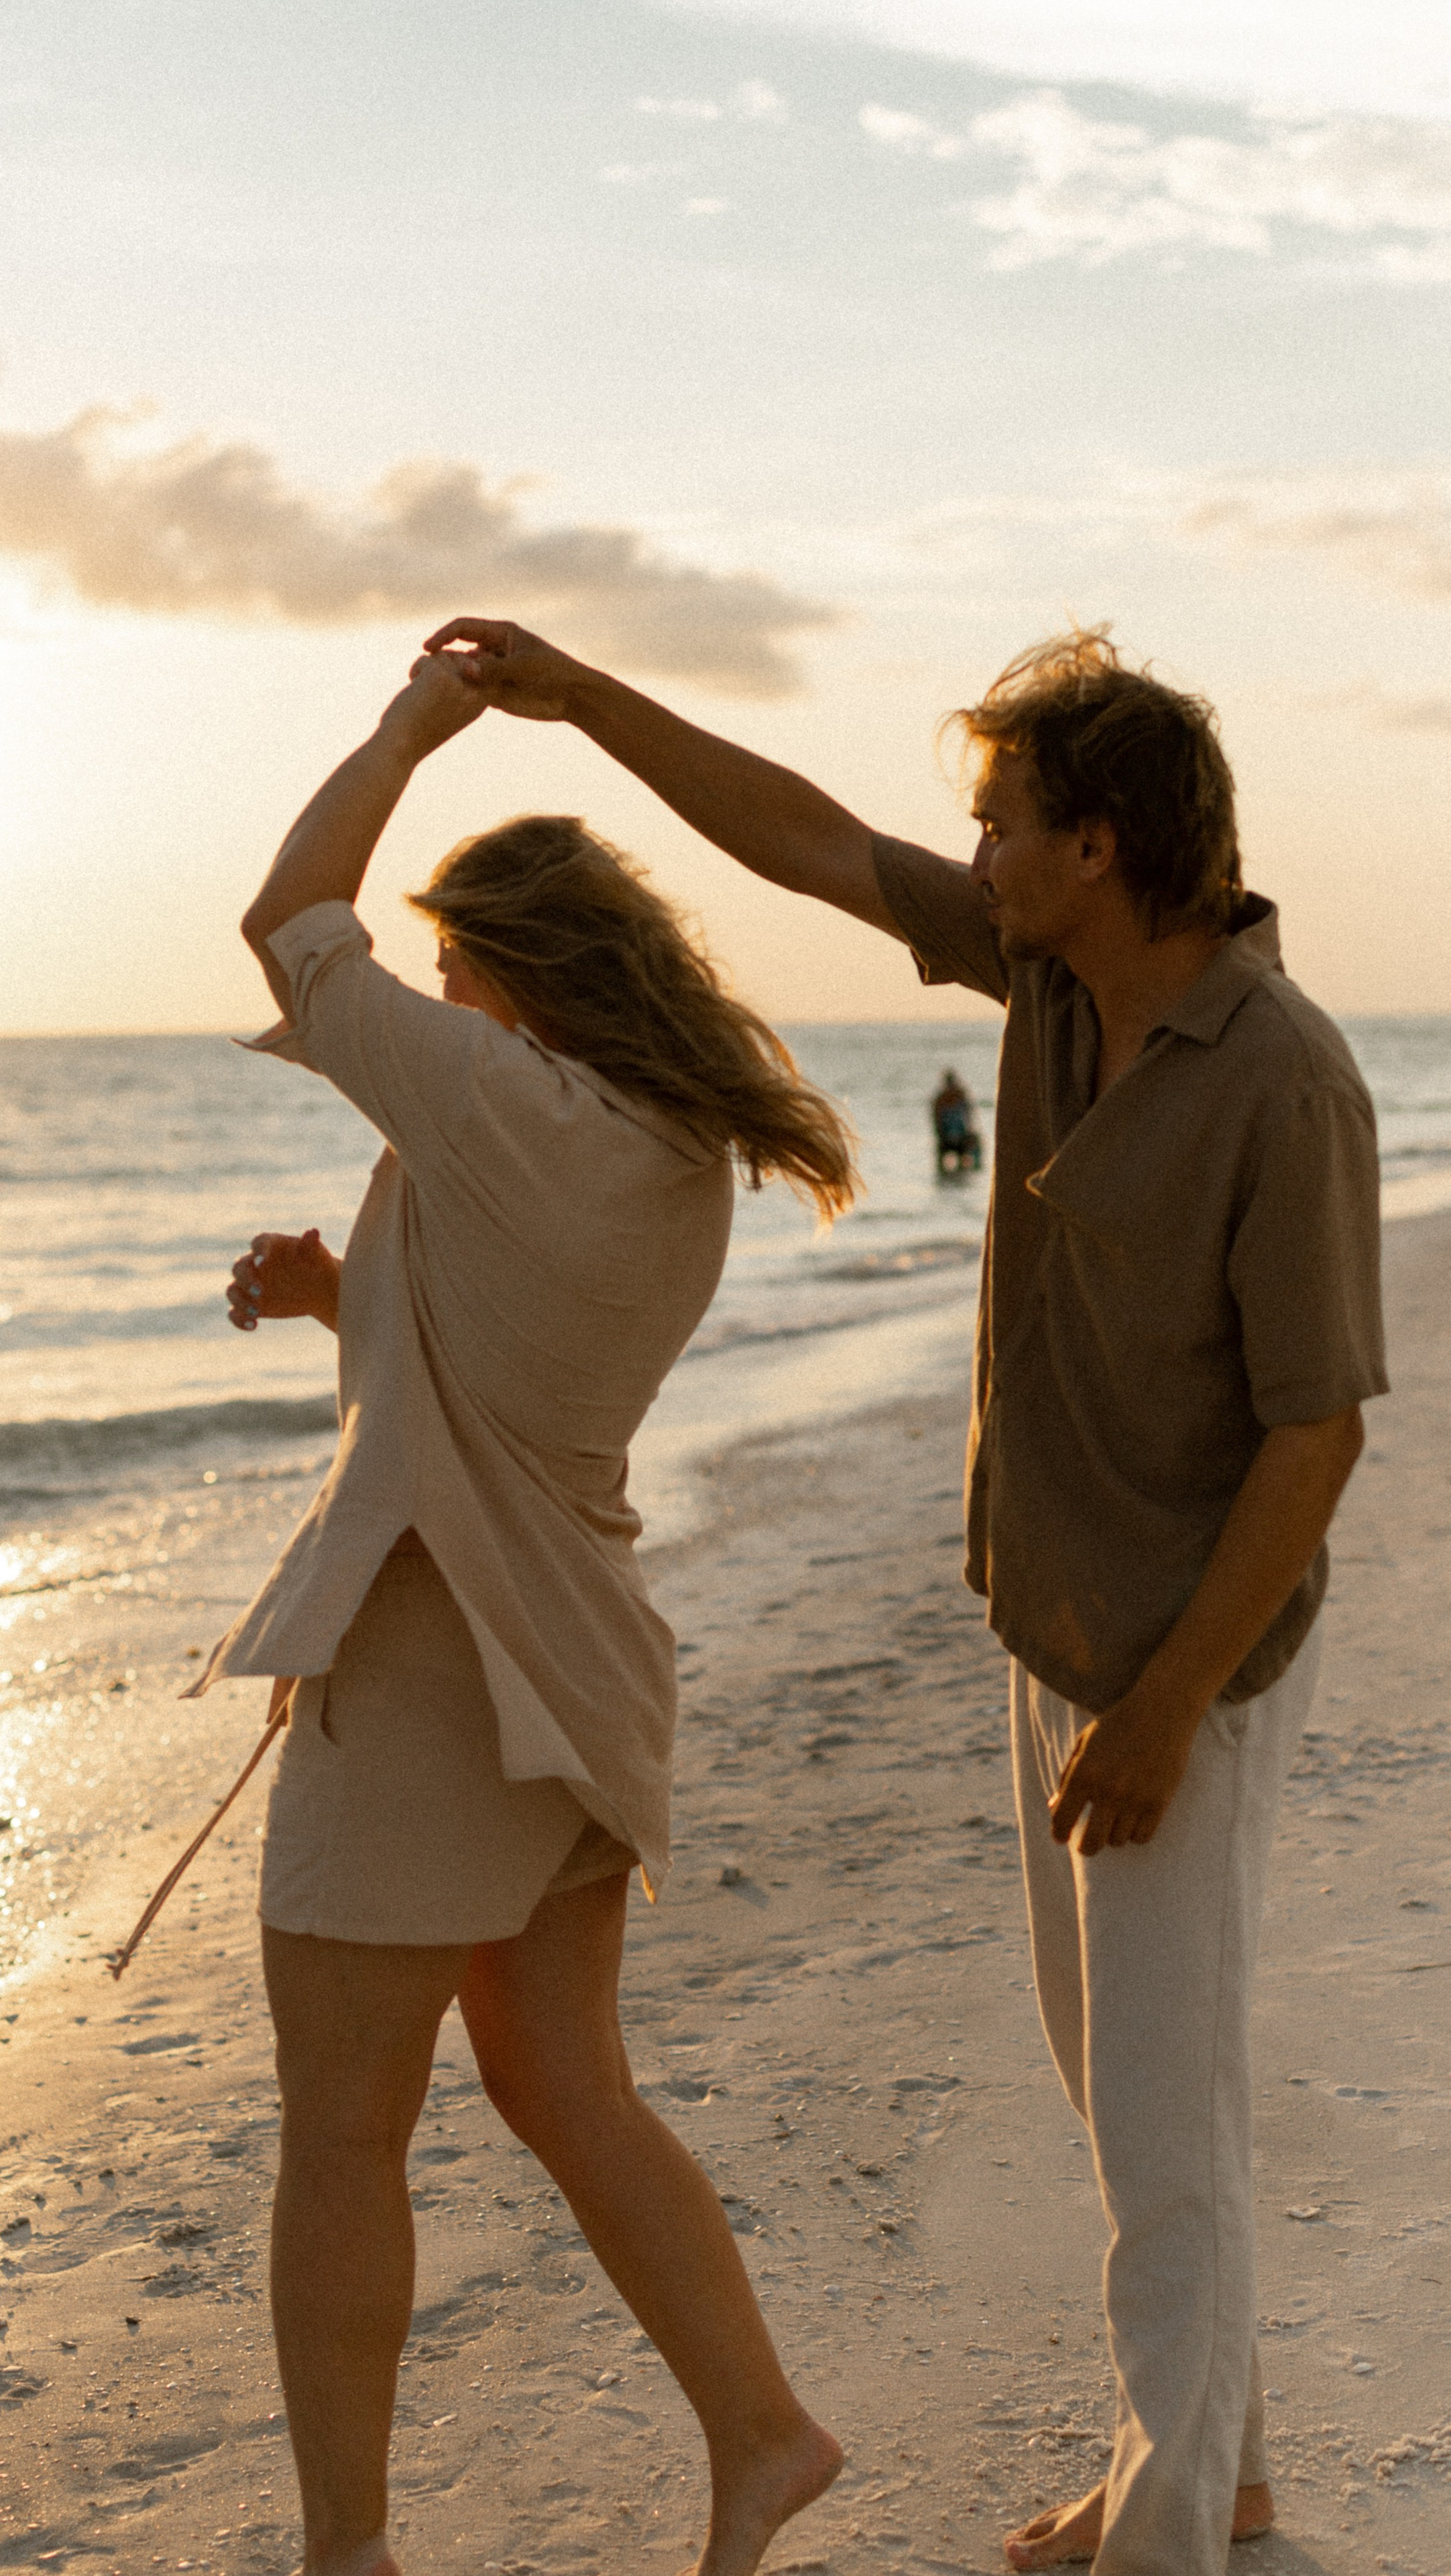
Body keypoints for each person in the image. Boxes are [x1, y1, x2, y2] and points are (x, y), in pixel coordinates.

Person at [417, 618, 1387, 2576]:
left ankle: (1177, 2533)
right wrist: (590, 697)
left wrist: (1167, 1705)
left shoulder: (1279, 1078)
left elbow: (1313, 1437)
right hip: (1059, 1627)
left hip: (1180, 1662)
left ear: (1098, 841)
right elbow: (803, 839)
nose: (977, 846)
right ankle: (1225, 2467)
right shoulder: (1045, 974)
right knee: (1130, 2086)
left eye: (1000, 819)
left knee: (1158, 2121)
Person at [190, 653, 855, 2576]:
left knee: (340, 2129)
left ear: (516, 971)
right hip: (572, 1664)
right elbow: (516, 1379)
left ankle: (348, 2558)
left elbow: (287, 923)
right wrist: (352, 1294)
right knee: (565, 2085)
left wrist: (403, 735)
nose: (445, 997)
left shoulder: (497, 1100)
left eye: (460, 969)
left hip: (429, 1674)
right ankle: (762, 2431)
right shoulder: (672, 1146)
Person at [930, 1066, 981, 1173]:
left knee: (976, 1143)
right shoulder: (940, 1100)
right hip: (947, 1137)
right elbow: (936, 1122)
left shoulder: (961, 1096)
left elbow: (970, 1119)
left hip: (961, 1136)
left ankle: (975, 1170)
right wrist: (942, 1137)